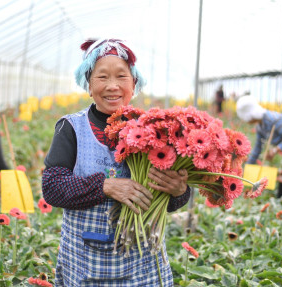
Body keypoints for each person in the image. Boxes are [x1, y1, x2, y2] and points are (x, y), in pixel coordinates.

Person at [42, 39, 190, 286]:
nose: (112, 86)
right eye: (102, 77)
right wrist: (106, 186)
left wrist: (180, 191)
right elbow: (53, 187)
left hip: (144, 263)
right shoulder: (71, 128)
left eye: (121, 76)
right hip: (85, 263)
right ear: (88, 85)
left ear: (134, 83)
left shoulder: (157, 130)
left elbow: (175, 200)